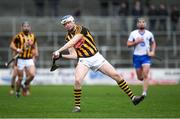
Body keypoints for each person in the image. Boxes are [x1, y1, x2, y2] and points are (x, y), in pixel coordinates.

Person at [52, 15, 144, 112]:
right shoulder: (67, 37)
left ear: (73, 21)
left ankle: (133, 98)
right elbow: (74, 55)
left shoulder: (81, 29)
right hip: (84, 60)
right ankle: (77, 107)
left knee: (116, 75)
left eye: (68, 22)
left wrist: (59, 50)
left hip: (96, 57)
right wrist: (61, 56)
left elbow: (74, 41)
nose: (67, 25)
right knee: (78, 81)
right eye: (64, 24)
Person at [127, 17, 156, 97]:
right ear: (137, 24)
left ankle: (144, 93)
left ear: (145, 24)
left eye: (143, 22)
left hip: (146, 56)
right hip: (136, 57)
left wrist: (152, 51)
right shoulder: (133, 33)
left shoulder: (149, 34)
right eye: (139, 22)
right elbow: (128, 44)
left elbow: (153, 43)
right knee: (140, 77)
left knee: (146, 74)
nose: (141, 23)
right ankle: (143, 80)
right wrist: (136, 42)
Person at [10, 21, 38, 97]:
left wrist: (34, 53)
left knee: (32, 75)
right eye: (24, 26)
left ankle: (25, 84)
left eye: (27, 26)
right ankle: (18, 91)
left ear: (30, 27)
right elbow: (11, 45)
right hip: (20, 60)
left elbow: (33, 47)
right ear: (22, 27)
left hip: (29, 59)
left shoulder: (33, 36)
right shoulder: (18, 36)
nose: (26, 28)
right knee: (20, 78)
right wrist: (17, 49)